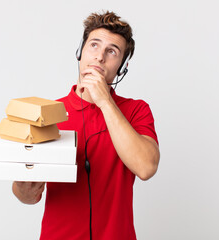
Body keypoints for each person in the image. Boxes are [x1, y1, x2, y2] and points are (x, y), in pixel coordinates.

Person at [12, 10, 160, 240]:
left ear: (122, 66)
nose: (100, 57)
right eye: (94, 45)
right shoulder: (49, 113)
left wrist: (105, 102)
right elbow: (27, 195)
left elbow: (146, 167)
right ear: (81, 52)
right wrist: (24, 191)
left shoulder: (137, 110)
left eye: (112, 51)